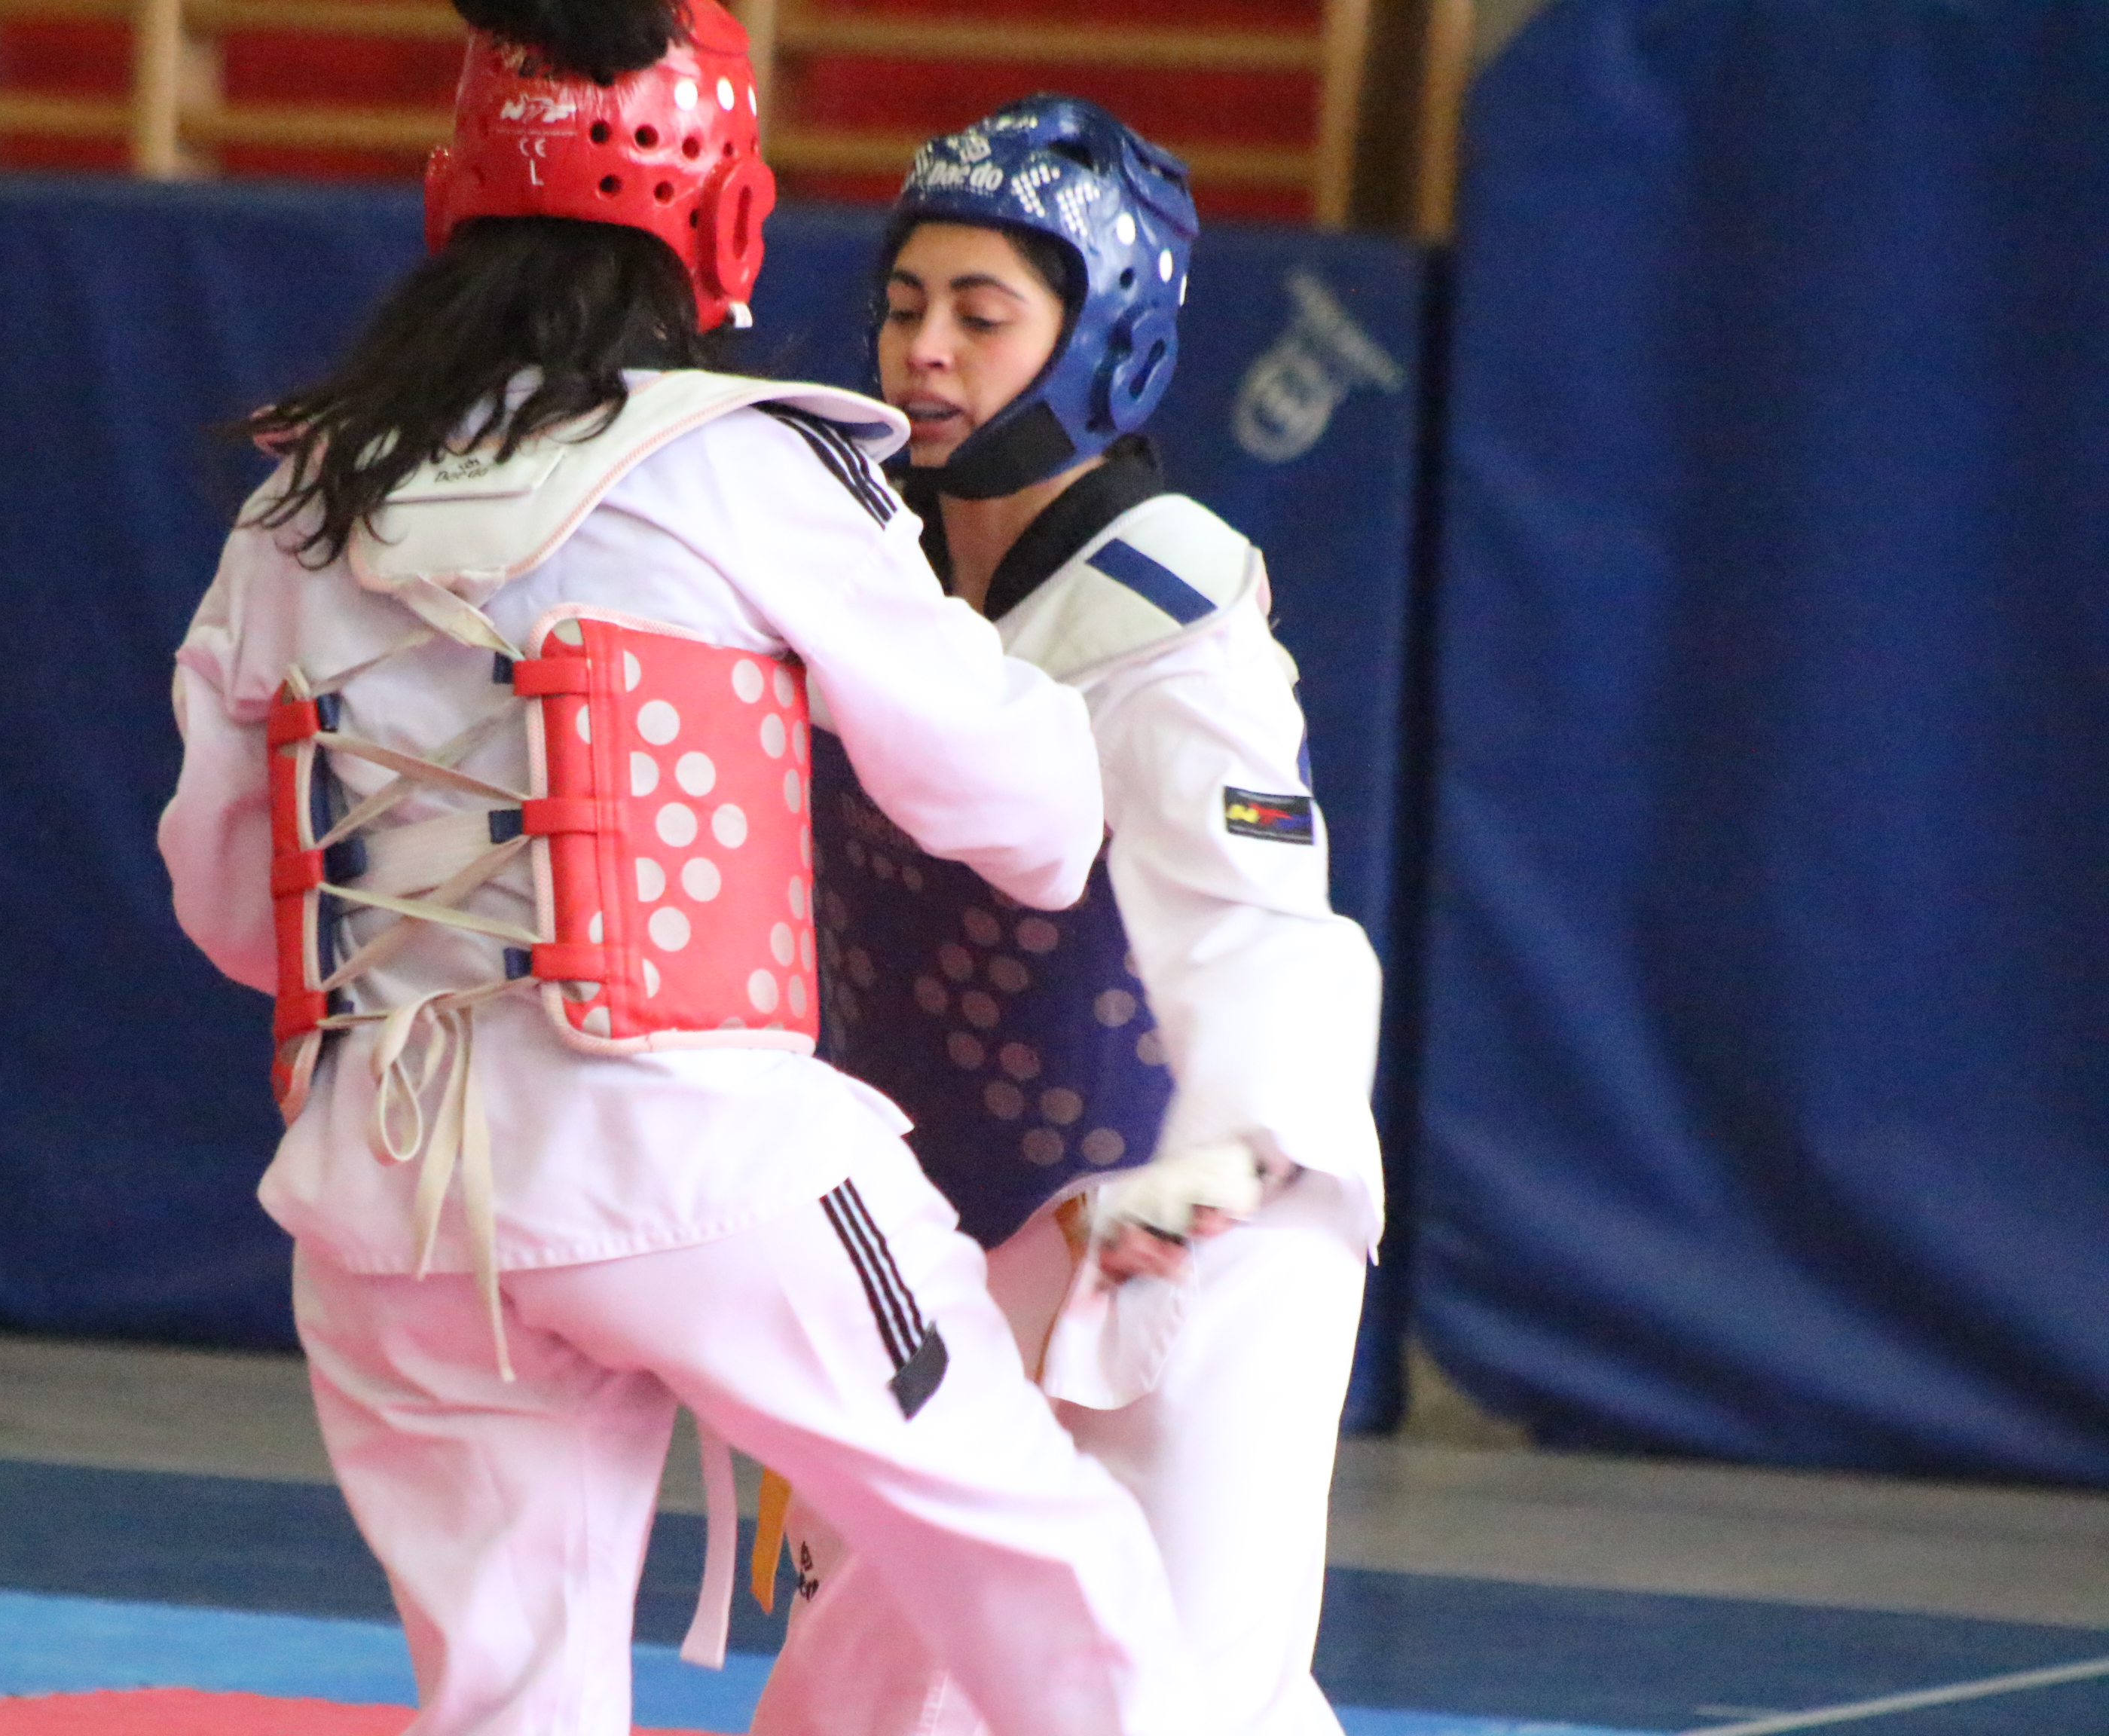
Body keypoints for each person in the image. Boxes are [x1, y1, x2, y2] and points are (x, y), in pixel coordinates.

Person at [156, 11, 1209, 1736]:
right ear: (723, 219)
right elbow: (1023, 815)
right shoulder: (739, 461)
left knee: (513, 1700)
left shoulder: (299, 503)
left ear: (453, 198)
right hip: (702, 1157)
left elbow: (226, 900)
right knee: (1052, 1578)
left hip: (390, 1195)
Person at [749, 97, 1386, 1736]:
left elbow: (1264, 924)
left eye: (984, 316)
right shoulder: (862, 564)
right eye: (906, 305)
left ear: (1102, 344)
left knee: (1183, 1698)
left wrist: (1228, 1158)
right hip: (949, 1214)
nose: (925, 353)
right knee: (862, 1688)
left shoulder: (1168, 612)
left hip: (1200, 1220)